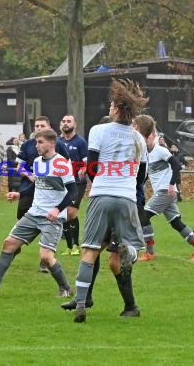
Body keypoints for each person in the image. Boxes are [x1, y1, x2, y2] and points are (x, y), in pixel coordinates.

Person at [67, 79, 148, 323]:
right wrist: (127, 187)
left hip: (101, 195)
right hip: (125, 198)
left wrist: (99, 181)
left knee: (89, 250)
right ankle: (130, 253)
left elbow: (91, 166)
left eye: (112, 105)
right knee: (132, 248)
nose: (109, 108)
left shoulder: (98, 131)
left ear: (116, 109)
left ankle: (81, 303)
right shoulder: (139, 139)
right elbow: (142, 176)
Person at [0, 129, 76, 297]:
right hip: (34, 213)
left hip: (52, 218)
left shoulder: (62, 164)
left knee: (46, 257)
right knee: (8, 244)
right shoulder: (38, 162)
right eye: (36, 142)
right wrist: (20, 194)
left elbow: (73, 192)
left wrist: (57, 209)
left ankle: (66, 289)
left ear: (52, 143)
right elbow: (38, 185)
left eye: (40, 142)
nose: (37, 145)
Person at [138, 119, 194, 262]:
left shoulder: (161, 150)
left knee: (143, 216)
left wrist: (171, 185)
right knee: (176, 223)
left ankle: (150, 252)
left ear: (151, 136)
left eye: (144, 135)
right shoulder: (145, 154)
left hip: (166, 191)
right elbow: (146, 174)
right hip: (164, 192)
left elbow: (176, 166)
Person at [15, 116, 70, 273]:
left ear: (49, 127)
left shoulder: (57, 145)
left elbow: (66, 167)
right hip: (30, 187)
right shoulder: (27, 145)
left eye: (42, 126)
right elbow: (19, 166)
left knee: (48, 223)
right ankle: (14, 247)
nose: (38, 128)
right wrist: (30, 175)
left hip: (52, 191)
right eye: (36, 126)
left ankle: (45, 260)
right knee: (22, 217)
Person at [58, 114, 88, 256]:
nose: (66, 123)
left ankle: (76, 245)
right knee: (64, 213)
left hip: (77, 182)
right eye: (63, 121)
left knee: (71, 212)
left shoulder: (80, 142)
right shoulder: (57, 142)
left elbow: (87, 161)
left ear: (74, 124)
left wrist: (84, 168)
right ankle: (69, 247)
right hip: (62, 182)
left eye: (69, 121)